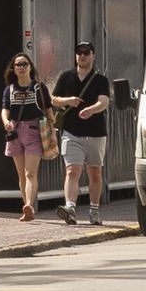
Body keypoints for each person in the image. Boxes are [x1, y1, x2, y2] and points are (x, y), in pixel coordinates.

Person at [51, 42, 115, 219]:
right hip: (71, 133)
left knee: (95, 173)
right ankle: (70, 207)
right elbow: (53, 99)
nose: (82, 56)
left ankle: (94, 209)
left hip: (95, 133)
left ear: (93, 56)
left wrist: (91, 110)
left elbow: (104, 102)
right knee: (72, 170)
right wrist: (68, 100)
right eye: (79, 52)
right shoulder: (66, 77)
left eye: (86, 52)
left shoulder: (100, 80)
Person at [0, 51, 52, 225]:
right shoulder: (10, 90)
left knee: (30, 172)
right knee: (21, 175)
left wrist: (52, 130)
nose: (21, 67)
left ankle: (29, 205)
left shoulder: (39, 87)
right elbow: (5, 109)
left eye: (25, 64)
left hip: (33, 130)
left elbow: (49, 112)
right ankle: (27, 205)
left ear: (30, 67)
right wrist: (6, 121)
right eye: (18, 65)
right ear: (13, 69)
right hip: (14, 132)